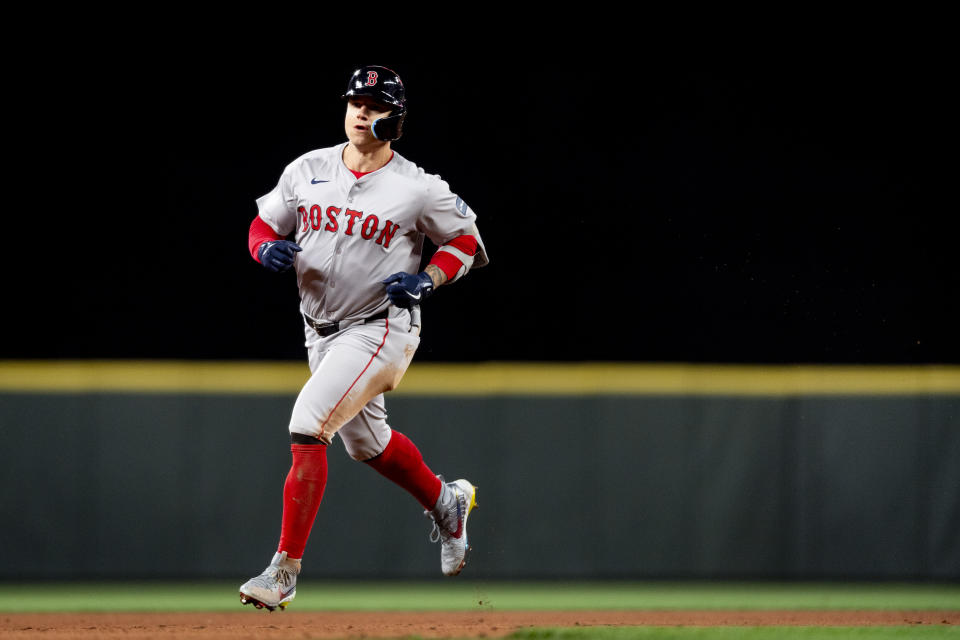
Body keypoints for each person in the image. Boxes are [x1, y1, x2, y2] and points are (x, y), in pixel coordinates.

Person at [239, 65, 489, 611]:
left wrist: (428, 277)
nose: (361, 112)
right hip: (320, 332)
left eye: (375, 106)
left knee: (308, 424)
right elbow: (263, 224)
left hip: (380, 326)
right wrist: (263, 249)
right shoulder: (308, 168)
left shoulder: (417, 187)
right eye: (356, 102)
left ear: (394, 121)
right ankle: (446, 502)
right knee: (368, 445)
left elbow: (466, 242)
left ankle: (283, 572)